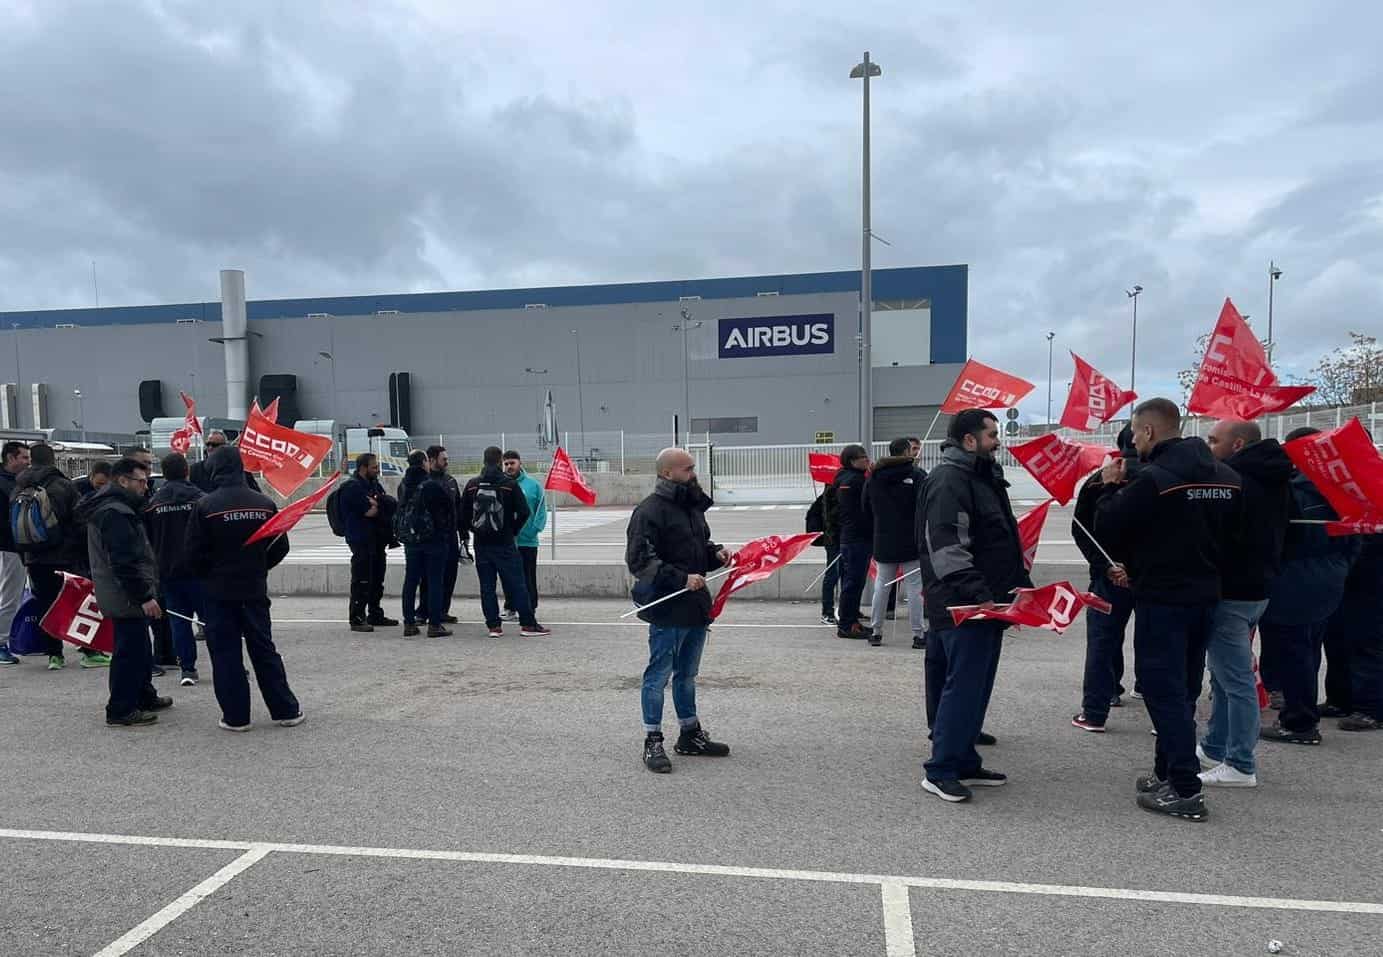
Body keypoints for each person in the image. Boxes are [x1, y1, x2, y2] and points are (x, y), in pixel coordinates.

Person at [1094, 398, 1242, 822]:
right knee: (1185, 687)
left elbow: (1109, 527)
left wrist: (1108, 486)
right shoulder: (1229, 477)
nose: (1134, 441)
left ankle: (1184, 787)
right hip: (1206, 595)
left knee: (1163, 691)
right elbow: (1238, 537)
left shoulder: (1153, 480)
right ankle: (1166, 771)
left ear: (1149, 432)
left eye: (1136, 433)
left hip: (1163, 597)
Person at [917, 410, 1025, 803]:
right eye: (992, 434)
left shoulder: (981, 477)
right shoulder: (950, 481)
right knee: (961, 688)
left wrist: (1017, 589)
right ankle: (941, 769)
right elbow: (946, 548)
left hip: (988, 603)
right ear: (968, 440)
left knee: (975, 687)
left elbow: (999, 538)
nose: (998, 440)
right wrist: (980, 594)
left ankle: (964, 760)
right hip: (963, 605)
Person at [1190, 420, 1292, 788]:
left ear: (1237, 444)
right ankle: (1216, 744)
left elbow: (1218, 535)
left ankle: (1240, 763)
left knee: (1235, 679)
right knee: (1222, 675)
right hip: (1257, 587)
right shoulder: (1274, 474)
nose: (1208, 446)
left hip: (1233, 590)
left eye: (1214, 440)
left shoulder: (1235, 481)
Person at [626, 447, 731, 773]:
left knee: (686, 675)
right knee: (657, 677)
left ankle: (690, 734)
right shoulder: (649, 511)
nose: (694, 473)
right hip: (667, 607)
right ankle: (652, 740)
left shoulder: (692, 507)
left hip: (696, 607)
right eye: (687, 469)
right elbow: (640, 561)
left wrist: (717, 555)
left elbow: (699, 549)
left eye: (693, 468)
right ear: (667, 473)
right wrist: (682, 579)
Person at [182, 446, 302, 732]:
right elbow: (280, 546)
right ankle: (285, 710)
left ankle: (236, 717)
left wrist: (210, 575)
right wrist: (259, 567)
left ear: (214, 469)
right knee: (264, 648)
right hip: (253, 588)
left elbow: (192, 554)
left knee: (225, 654)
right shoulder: (263, 503)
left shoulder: (205, 505)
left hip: (218, 591)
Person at [1258, 427, 1359, 748]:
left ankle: (1299, 723)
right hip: (1328, 583)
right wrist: (1340, 569)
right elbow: (1354, 540)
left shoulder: (1290, 494)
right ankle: (1299, 710)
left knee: (1296, 654)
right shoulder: (1340, 492)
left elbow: (1277, 544)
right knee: (1308, 650)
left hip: (1293, 585)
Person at [87, 457, 173, 726]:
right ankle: (121, 708)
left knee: (140, 646)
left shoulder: (114, 506)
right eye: (141, 481)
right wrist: (144, 596)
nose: (145, 487)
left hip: (123, 591)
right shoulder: (115, 512)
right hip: (123, 593)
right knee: (128, 650)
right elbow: (123, 561)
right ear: (123, 481)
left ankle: (144, 694)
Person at [16, 442, 111, 669]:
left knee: (46, 605)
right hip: (64, 556)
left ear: (32, 460)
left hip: (34, 557)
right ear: (51, 459)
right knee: (78, 603)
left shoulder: (19, 486)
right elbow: (79, 522)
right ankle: (89, 652)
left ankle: (54, 656)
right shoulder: (63, 485)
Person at [1071, 427, 1139, 732]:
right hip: (1154, 577)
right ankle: (1156, 697)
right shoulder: (1166, 477)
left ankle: (1098, 707)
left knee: (1103, 640)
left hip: (1108, 576)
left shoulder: (1100, 479)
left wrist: (1104, 565)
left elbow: (1080, 528)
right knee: (1157, 640)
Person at [460, 446, 550, 639]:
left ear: (484, 461)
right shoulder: (508, 484)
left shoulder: (472, 485)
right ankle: (528, 624)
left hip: (482, 544)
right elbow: (524, 512)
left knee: (487, 587)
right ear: (500, 461)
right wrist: (512, 530)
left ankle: (494, 626)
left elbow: (462, 516)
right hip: (505, 542)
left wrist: (475, 530)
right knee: (518, 583)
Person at [143, 452, 206, 686]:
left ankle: (187, 669)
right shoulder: (201, 499)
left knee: (179, 622)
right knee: (213, 620)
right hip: (199, 571)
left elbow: (147, 539)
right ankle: (225, 664)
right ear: (187, 471)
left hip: (168, 572)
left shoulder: (153, 504)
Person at [861, 437, 926, 648]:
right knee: (915, 587)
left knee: (882, 585)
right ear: (908, 451)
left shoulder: (875, 476)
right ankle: (919, 634)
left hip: (884, 538)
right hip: (911, 540)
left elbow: (865, 508)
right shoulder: (917, 475)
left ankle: (876, 631)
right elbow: (927, 505)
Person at [398, 449, 455, 638]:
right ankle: (435, 624)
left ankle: (409, 623)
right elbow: (448, 508)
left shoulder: (404, 485)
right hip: (434, 540)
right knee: (435, 581)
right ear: (424, 463)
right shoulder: (431, 485)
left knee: (410, 581)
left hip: (411, 541)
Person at [339, 453, 397, 632]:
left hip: (376, 538)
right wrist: (376, 505)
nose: (377, 470)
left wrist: (377, 503)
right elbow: (369, 512)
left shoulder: (373, 484)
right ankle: (357, 617)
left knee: (377, 577)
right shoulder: (352, 487)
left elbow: (385, 503)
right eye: (373, 467)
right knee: (362, 579)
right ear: (363, 468)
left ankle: (375, 613)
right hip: (360, 538)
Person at [1332, 530, 1383, 732]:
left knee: (1367, 640)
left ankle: (1371, 710)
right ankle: (1341, 699)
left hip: (1372, 572)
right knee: (1341, 636)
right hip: (1354, 567)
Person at [830, 444, 872, 640]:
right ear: (852, 461)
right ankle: (847, 624)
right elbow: (862, 509)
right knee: (853, 583)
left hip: (852, 537)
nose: (867, 460)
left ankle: (851, 619)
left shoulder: (844, 478)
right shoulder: (853, 480)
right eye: (863, 457)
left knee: (853, 582)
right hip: (856, 538)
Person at [501, 450, 547, 623]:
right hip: (507, 541)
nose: (509, 466)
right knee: (508, 577)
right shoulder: (501, 484)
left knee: (528, 576)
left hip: (528, 541)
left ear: (519, 463)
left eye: (512, 463)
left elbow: (542, 509)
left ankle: (530, 607)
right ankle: (510, 607)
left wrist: (534, 529)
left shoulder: (532, 485)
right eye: (506, 463)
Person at [419, 445, 463, 625]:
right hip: (430, 538)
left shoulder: (450, 481)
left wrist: (464, 534)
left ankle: (443, 610)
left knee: (449, 575)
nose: (446, 462)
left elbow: (459, 508)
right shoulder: (424, 483)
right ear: (431, 460)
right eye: (443, 459)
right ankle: (423, 611)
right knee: (428, 577)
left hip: (450, 537)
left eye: (447, 459)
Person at [0, 440, 30, 665]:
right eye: (23, 457)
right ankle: (1, 644)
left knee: (12, 595)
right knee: (9, 597)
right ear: (10, 458)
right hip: (9, 547)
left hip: (16, 546)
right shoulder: (5, 485)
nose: (27, 462)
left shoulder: (16, 482)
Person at [805, 481, 839, 626]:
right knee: (832, 575)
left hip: (836, 539)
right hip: (834, 540)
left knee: (843, 575)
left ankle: (843, 609)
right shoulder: (830, 497)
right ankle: (827, 612)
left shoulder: (828, 495)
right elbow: (831, 519)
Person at [190, 431, 261, 493]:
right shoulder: (196, 469)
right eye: (208, 444)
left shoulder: (239, 467)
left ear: (225, 446)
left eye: (215, 445)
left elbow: (255, 491)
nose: (210, 448)